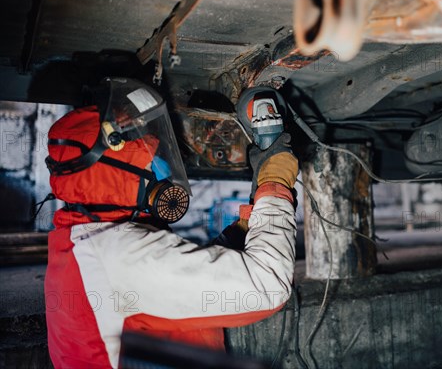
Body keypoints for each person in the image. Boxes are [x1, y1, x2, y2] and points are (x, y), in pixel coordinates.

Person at [43, 78, 298, 368]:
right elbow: (267, 287)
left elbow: (171, 283)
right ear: (115, 171)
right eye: (149, 162)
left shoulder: (86, 242)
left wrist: (246, 229)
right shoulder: (117, 255)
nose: (160, 169)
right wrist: (275, 183)